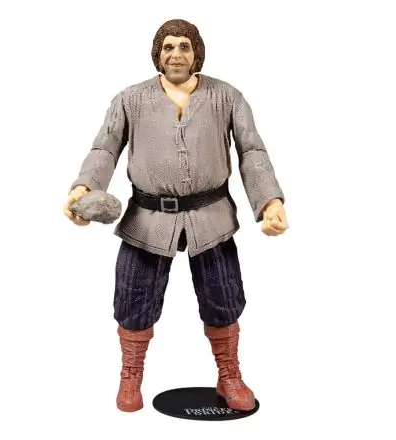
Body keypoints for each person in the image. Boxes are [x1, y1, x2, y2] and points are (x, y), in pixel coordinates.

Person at [63, 18, 289, 412]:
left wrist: (270, 201)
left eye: (184, 46)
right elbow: (105, 149)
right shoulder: (130, 99)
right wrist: (84, 188)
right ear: (158, 54)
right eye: (168, 47)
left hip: (212, 217)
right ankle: (130, 374)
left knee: (223, 297)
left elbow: (252, 151)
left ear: (196, 52)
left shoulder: (227, 97)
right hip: (146, 219)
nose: (176, 54)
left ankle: (229, 374)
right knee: (133, 298)